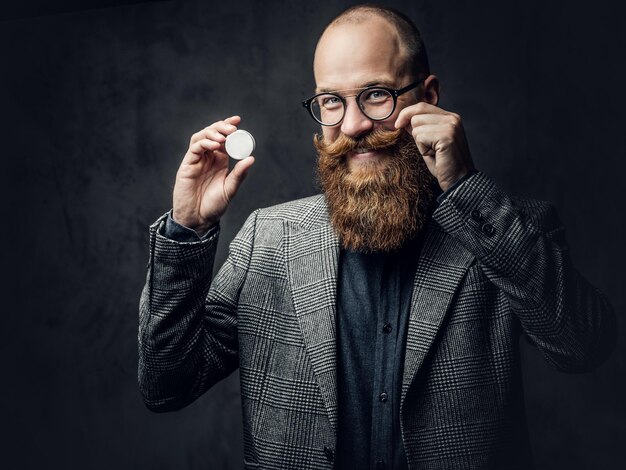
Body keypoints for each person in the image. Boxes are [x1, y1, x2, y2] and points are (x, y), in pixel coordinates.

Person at [138, 4, 616, 469]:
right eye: (331, 100)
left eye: (376, 95)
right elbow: (167, 386)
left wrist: (467, 189)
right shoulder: (267, 239)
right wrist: (188, 228)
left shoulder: (508, 228)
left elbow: (583, 346)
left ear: (427, 95)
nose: (353, 126)